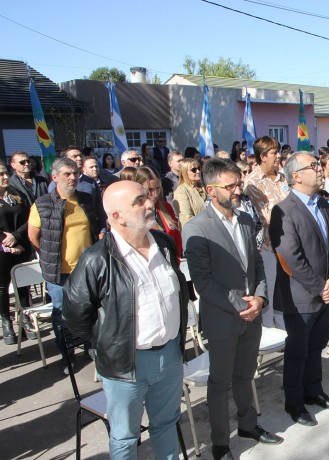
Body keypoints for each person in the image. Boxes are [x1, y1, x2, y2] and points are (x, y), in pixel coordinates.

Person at [62, 181, 189, 459]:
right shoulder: (96, 259)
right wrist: (107, 345)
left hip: (169, 356)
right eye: (138, 201)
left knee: (167, 424)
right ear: (117, 216)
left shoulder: (164, 245)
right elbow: (74, 317)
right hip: (125, 365)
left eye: (147, 197)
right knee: (125, 436)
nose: (149, 204)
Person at [182, 159, 283, 460]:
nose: (238, 190)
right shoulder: (196, 228)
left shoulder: (245, 220)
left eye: (238, 183)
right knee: (219, 382)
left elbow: (257, 266)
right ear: (211, 191)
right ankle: (220, 444)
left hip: (251, 313)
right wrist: (243, 306)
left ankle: (248, 425)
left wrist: (261, 299)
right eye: (231, 186)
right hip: (224, 318)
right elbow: (203, 282)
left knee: (245, 374)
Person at [269, 153, 329, 427]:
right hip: (300, 296)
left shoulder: (324, 204)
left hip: (326, 291)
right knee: (297, 351)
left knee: (317, 346)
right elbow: (290, 257)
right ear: (296, 176)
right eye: (313, 166)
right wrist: (320, 287)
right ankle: (295, 402)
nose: (320, 169)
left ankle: (314, 391)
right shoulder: (283, 210)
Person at [27, 158, 100, 373]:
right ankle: (67, 353)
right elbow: (33, 236)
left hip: (86, 269)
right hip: (60, 272)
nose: (73, 177)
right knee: (61, 314)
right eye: (67, 174)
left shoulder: (86, 199)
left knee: (91, 309)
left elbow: (95, 228)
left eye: (75, 173)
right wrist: (49, 256)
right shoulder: (42, 203)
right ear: (55, 177)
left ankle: (90, 346)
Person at [243, 136, 290, 328]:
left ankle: (285, 328)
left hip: (289, 244)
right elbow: (263, 217)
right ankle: (269, 332)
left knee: (287, 291)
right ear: (262, 156)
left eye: (278, 152)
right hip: (268, 247)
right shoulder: (252, 183)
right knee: (269, 291)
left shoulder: (283, 177)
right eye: (274, 152)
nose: (278, 156)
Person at [0, 163, 34, 344]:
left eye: (5, 173)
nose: (5, 177)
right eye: (1, 174)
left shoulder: (15, 194)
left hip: (20, 245)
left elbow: (30, 218)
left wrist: (16, 237)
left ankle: (25, 317)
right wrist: (6, 242)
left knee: (23, 285)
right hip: (3, 250)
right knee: (2, 287)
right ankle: (6, 320)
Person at [134, 167, 183, 255]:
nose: (155, 194)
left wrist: (176, 260)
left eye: (158, 188)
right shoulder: (135, 213)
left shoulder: (166, 207)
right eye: (150, 190)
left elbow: (177, 238)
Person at [173, 158, 206, 228]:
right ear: (185, 172)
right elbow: (186, 219)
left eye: (199, 168)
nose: (198, 171)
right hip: (196, 232)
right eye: (193, 170)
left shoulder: (204, 186)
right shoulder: (181, 192)